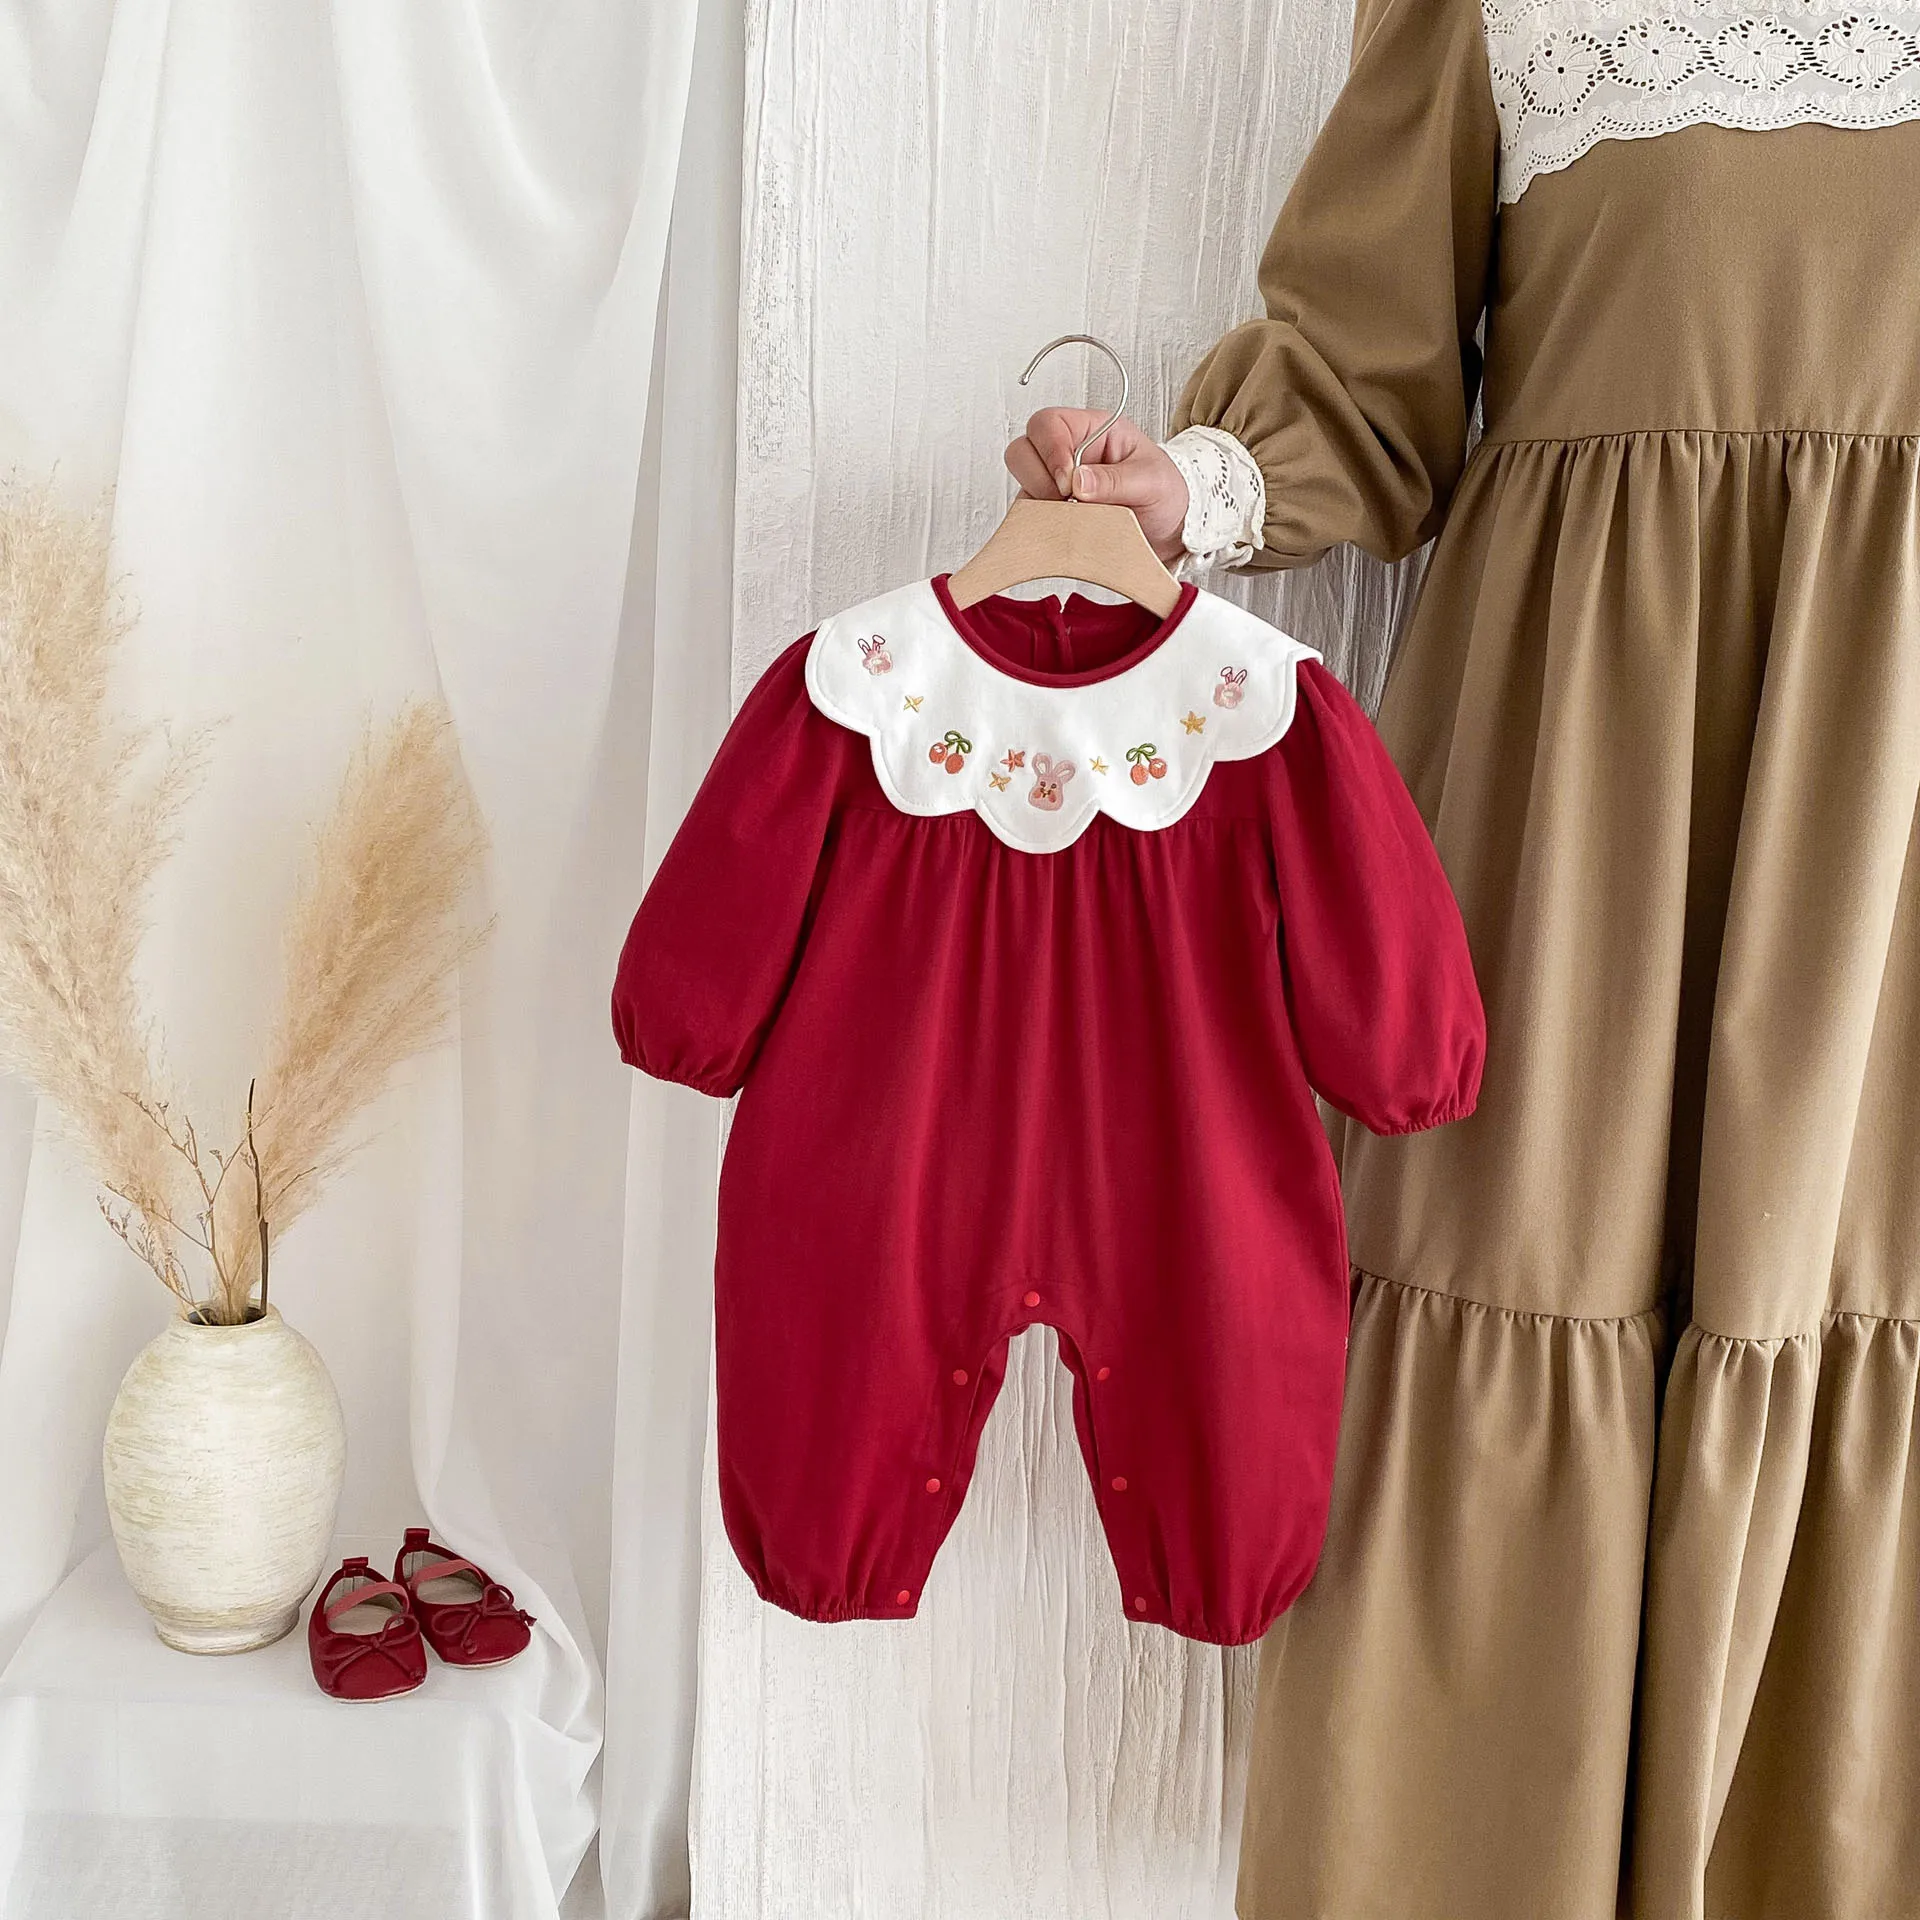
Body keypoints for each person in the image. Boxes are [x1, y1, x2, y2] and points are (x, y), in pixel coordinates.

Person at [1004, 0, 1920, 1910]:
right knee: (1526, 1270)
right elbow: (1369, 378)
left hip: (1893, 828)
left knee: (1851, 1293)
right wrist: (1184, 486)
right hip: (1574, 780)